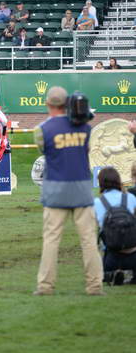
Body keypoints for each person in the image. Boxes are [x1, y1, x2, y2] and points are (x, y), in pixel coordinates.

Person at [33, 86, 103, 295]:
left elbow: (43, 150)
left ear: (48, 104)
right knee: (89, 240)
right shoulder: (85, 128)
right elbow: (86, 150)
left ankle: (45, 286)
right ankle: (94, 286)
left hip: (55, 190)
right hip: (81, 189)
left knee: (51, 240)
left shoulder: (41, 130)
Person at [94, 167, 136, 285]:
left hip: (111, 256)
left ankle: (110, 273)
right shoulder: (131, 198)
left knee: (102, 233)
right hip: (133, 252)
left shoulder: (97, 202)